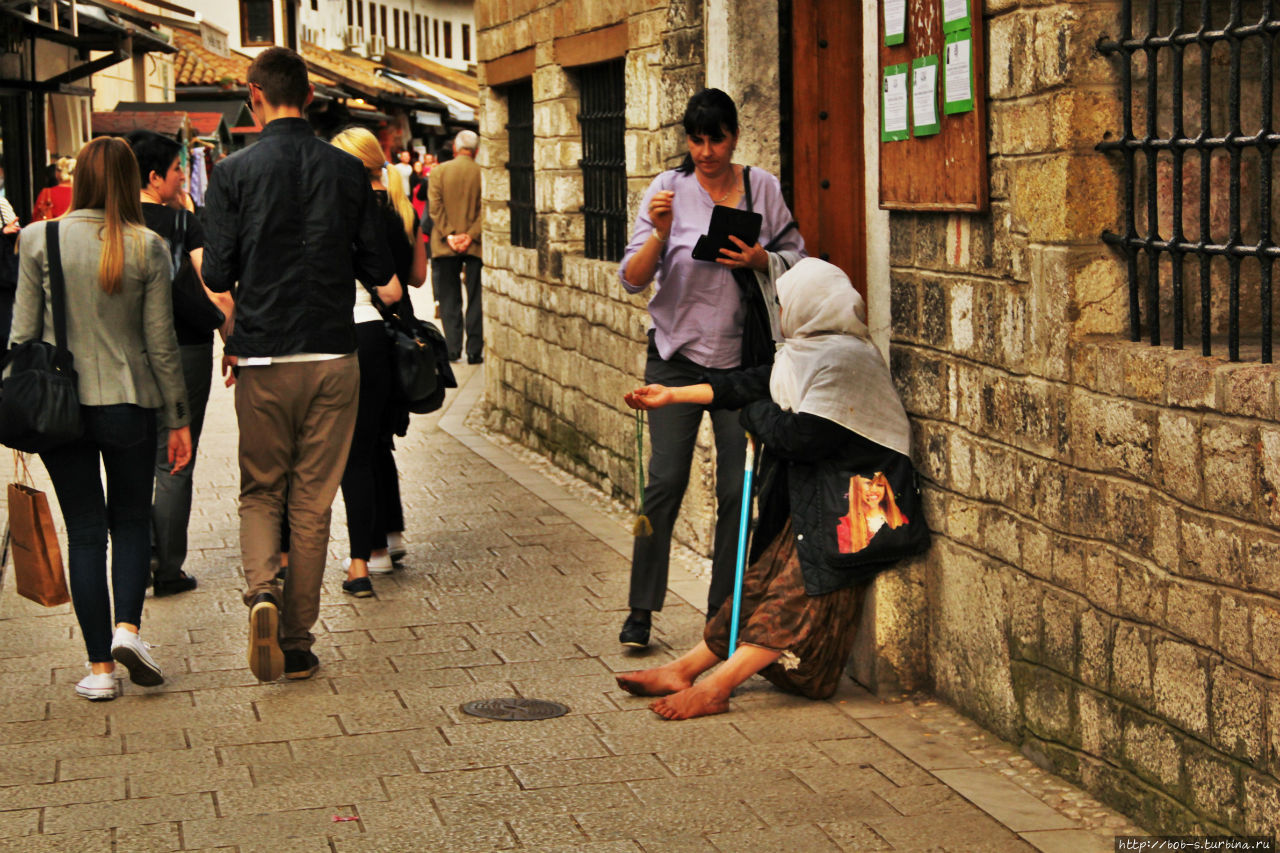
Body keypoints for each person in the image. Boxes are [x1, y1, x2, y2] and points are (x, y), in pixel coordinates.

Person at [618, 259, 918, 719]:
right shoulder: (805, 352)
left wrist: (754, 414)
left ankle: (717, 687)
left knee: (791, 595)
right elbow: (746, 385)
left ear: (808, 306)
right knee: (757, 583)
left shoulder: (843, 360)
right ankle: (686, 668)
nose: (779, 312)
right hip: (819, 497)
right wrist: (672, 394)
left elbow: (799, 436)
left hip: (860, 505)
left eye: (783, 303)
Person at [201, 47, 398, 683]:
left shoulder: (232, 174)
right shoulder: (347, 171)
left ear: (253, 94)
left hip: (262, 355)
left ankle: (263, 590)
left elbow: (217, 272)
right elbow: (379, 271)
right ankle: (298, 639)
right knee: (313, 502)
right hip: (334, 355)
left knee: (262, 489)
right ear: (310, 97)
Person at [617, 88, 805, 648]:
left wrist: (759, 259)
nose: (705, 151)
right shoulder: (666, 190)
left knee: (734, 492)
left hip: (740, 367)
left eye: (715, 139)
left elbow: (798, 255)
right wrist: (658, 233)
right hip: (674, 357)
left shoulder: (760, 187)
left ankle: (720, 614)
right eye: (696, 140)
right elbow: (631, 277)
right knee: (664, 483)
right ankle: (640, 608)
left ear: (734, 136)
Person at [9, 136, 192, 701]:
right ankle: (128, 631)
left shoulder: (39, 239)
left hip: (60, 408)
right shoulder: (148, 245)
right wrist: (178, 417)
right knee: (131, 521)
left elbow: (21, 334)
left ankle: (100, 672)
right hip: (128, 403)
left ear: (81, 180)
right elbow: (162, 344)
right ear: (130, 179)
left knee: (86, 531)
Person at [126, 130, 235, 598]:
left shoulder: (108, 225)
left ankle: (136, 556)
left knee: (132, 457)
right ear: (154, 177)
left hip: (124, 353)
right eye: (176, 171)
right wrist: (229, 335)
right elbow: (215, 288)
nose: (180, 179)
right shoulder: (181, 223)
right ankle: (167, 568)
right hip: (185, 348)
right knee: (175, 457)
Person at [328, 126, 427, 596]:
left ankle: (372, 551)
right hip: (398, 331)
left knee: (360, 448)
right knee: (380, 437)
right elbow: (416, 276)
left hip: (364, 327)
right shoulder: (400, 211)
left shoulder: (349, 214)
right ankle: (392, 533)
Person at [428, 129, 483, 364]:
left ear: (455, 149)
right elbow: (487, 208)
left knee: (450, 297)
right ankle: (474, 351)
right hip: (475, 245)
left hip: (444, 245)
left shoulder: (439, 172)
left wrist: (449, 234)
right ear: (476, 150)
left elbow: (435, 206)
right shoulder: (483, 173)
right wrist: (469, 236)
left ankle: (452, 349)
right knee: (476, 297)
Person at [33, 157, 75, 221]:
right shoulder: (81, 194)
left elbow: (35, 219)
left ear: (57, 173)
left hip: (52, 229)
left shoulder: (46, 193)